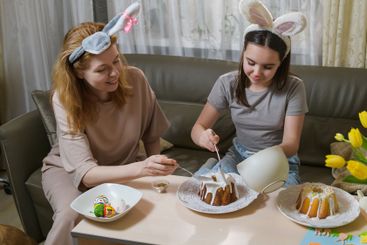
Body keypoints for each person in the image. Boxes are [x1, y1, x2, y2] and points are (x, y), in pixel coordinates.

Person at [41, 3, 177, 245]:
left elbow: (151, 134)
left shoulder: (135, 78)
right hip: (69, 171)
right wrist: (143, 168)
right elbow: (86, 174)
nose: (115, 73)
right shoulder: (64, 98)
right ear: (80, 72)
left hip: (124, 166)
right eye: (102, 69)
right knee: (71, 215)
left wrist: (156, 173)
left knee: (153, 213)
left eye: (116, 61)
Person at [191, 0, 308, 186]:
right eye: (251, 62)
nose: (257, 73)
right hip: (239, 155)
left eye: (268, 67)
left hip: (278, 158)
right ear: (243, 54)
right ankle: (212, 165)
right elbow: (198, 128)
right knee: (214, 190)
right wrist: (202, 137)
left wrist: (258, 164)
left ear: (281, 64)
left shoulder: (294, 87)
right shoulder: (227, 83)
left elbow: (291, 143)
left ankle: (214, 168)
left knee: (280, 201)